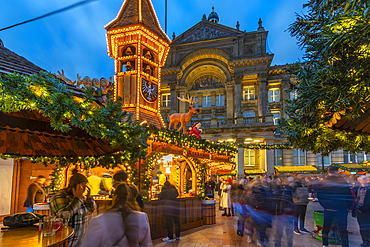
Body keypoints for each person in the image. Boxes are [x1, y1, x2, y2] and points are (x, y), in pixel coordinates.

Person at [80, 184, 151, 247]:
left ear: (115, 197)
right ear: (128, 199)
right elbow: (146, 244)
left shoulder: (99, 221)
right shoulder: (142, 218)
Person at [50, 170, 96, 247]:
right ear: (75, 186)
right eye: (83, 185)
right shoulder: (59, 197)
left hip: (80, 241)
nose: (85, 188)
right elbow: (63, 217)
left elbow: (91, 209)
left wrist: (89, 198)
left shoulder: (82, 197)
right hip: (65, 242)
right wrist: (77, 199)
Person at [316, 166, 352, 247]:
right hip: (341, 208)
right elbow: (348, 194)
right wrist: (348, 206)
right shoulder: (342, 181)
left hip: (328, 208)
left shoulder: (323, 182)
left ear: (328, 172)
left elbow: (319, 195)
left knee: (326, 227)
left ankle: (325, 244)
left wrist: (324, 205)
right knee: (343, 229)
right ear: (336, 172)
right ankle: (345, 245)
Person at [274, 177, 295, 247]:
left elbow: (292, 201)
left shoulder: (290, 190)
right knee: (281, 232)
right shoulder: (279, 190)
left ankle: (287, 245)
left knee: (287, 232)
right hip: (282, 214)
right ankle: (278, 244)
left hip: (286, 214)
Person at [354, 175, 370, 247]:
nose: (366, 180)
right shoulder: (357, 188)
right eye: (363, 179)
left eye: (366, 178)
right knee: (362, 227)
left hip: (367, 210)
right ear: (359, 180)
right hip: (359, 210)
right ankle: (365, 241)